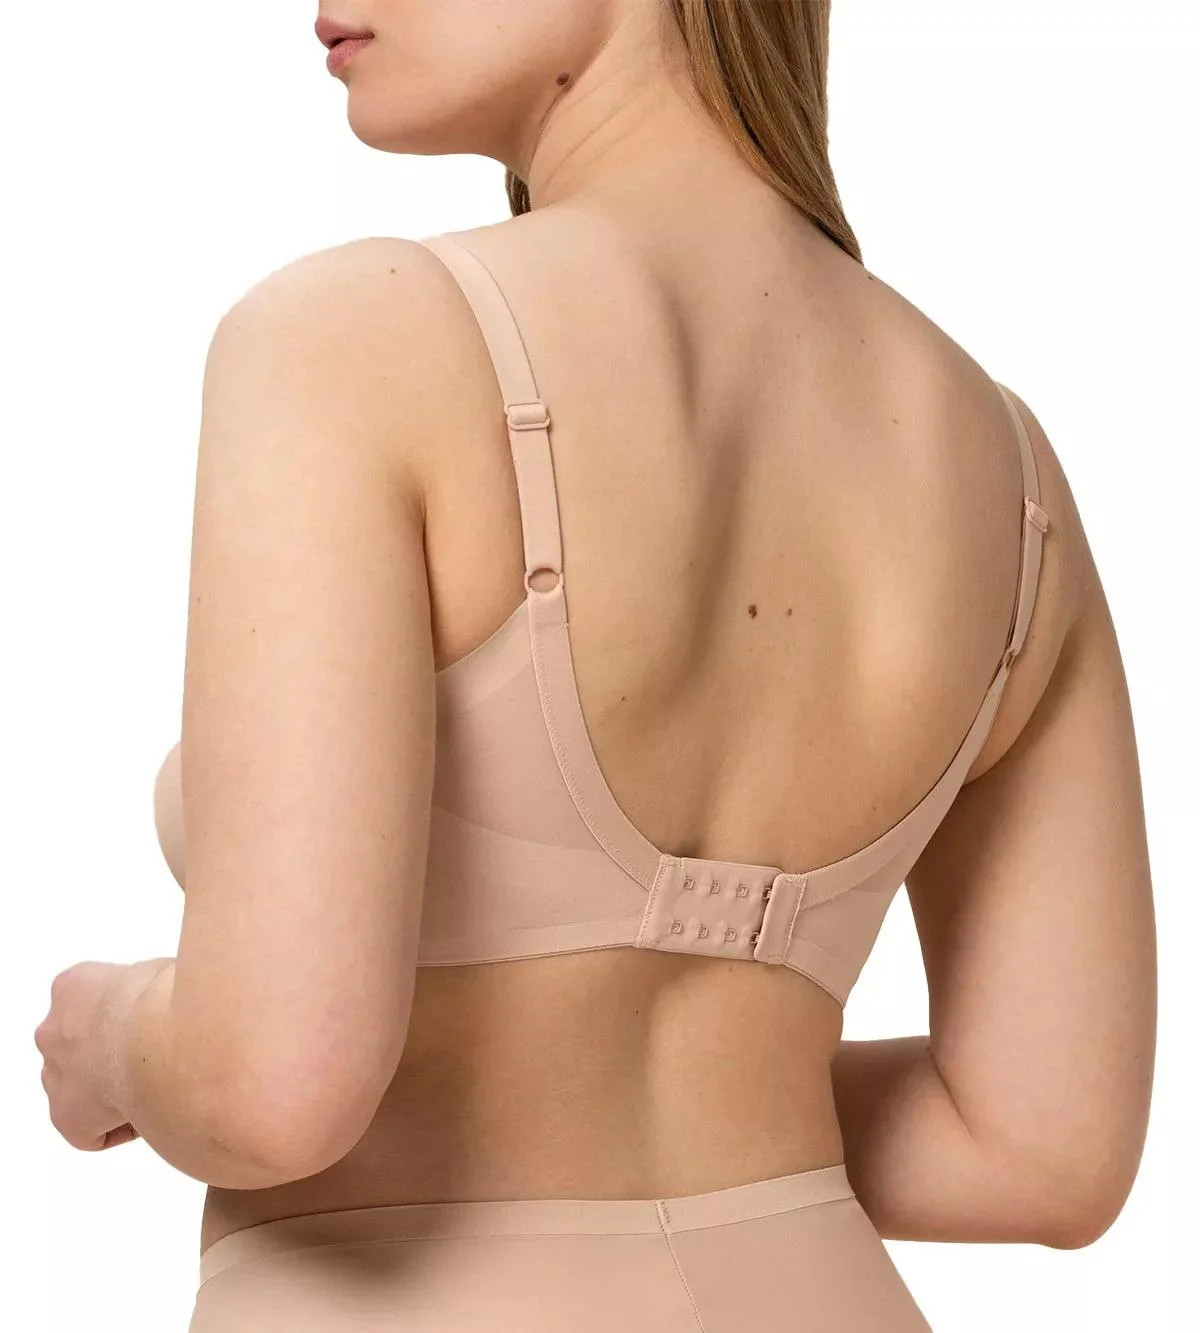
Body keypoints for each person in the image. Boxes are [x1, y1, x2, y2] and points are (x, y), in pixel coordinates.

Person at [35, 2, 1156, 1329]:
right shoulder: (1010, 472)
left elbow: (271, 1083)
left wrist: (118, 1036)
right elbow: (1039, 1149)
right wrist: (726, 1121)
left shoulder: (353, 340)